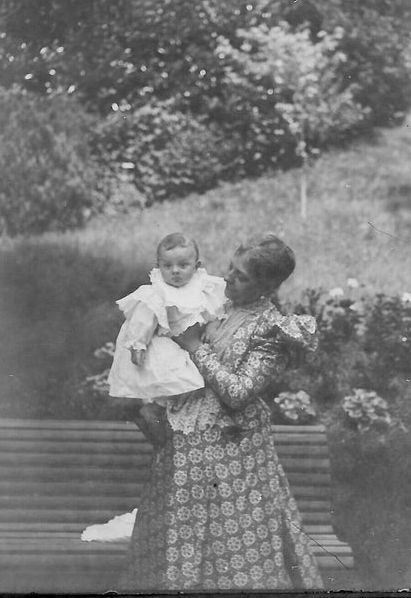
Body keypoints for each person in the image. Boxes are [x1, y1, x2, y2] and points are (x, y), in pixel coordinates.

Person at [122, 233, 324, 591]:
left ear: (267, 286)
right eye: (231, 267)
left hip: (234, 454)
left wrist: (196, 347)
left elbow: (238, 392)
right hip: (185, 445)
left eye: (242, 275)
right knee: (177, 539)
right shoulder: (216, 303)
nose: (229, 277)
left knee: (231, 549)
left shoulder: (270, 330)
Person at [107, 232, 226, 441]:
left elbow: (214, 309)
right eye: (168, 266)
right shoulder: (157, 291)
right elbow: (143, 318)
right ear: (158, 265)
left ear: (196, 265)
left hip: (190, 342)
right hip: (167, 342)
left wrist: (212, 326)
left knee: (193, 383)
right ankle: (155, 412)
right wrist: (138, 343)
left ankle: (170, 421)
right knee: (172, 377)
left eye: (183, 265)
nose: (175, 271)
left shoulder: (202, 286)